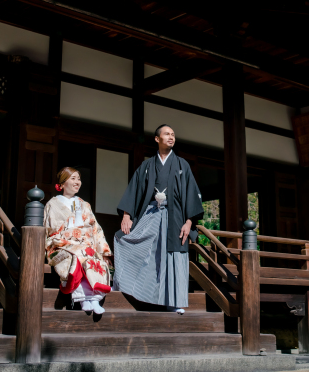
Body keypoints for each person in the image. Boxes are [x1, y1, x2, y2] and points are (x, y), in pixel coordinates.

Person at [113, 124, 204, 314]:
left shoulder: (182, 165)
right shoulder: (146, 166)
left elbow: (190, 194)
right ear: (157, 139)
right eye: (167, 134)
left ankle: (174, 301)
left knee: (173, 254)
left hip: (176, 217)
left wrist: (189, 222)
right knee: (125, 239)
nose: (171, 137)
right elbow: (134, 190)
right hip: (151, 214)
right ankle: (131, 288)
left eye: (173, 134)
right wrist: (127, 215)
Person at [44, 167, 112, 314]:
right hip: (62, 245)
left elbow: (96, 229)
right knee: (78, 255)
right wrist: (70, 236)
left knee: (93, 256)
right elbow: (49, 230)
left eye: (78, 179)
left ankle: (94, 299)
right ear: (62, 184)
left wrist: (104, 251)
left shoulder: (84, 204)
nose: (77, 182)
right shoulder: (52, 204)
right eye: (73, 178)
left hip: (84, 244)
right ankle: (82, 299)